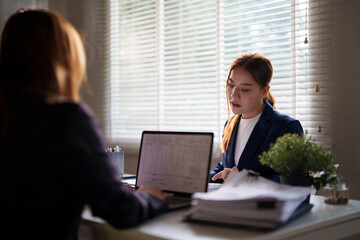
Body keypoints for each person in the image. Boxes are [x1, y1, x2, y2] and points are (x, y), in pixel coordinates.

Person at [0, 9, 168, 239]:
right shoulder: (66, 118)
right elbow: (119, 209)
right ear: (61, 61)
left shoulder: (10, 116)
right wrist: (149, 196)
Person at [210, 53, 303, 183]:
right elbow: (226, 170)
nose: (233, 95)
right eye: (231, 85)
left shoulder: (286, 127)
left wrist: (247, 180)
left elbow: (294, 182)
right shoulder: (230, 124)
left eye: (245, 89)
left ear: (264, 91)